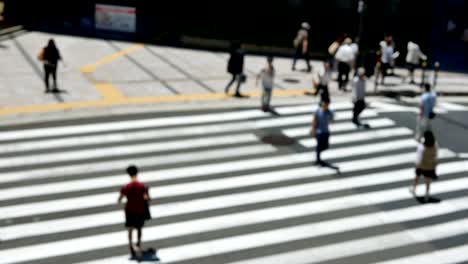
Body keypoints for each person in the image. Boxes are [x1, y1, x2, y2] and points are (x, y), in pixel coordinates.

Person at [118, 165, 150, 258]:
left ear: (128, 174)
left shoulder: (126, 187)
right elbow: (148, 198)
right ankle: (138, 244)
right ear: (137, 173)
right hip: (140, 209)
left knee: (130, 229)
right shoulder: (143, 186)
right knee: (139, 228)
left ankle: (131, 246)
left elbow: (119, 199)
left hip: (129, 210)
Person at [410, 131, 438, 202]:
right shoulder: (435, 145)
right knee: (428, 181)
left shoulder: (422, 146)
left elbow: (419, 157)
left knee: (417, 177)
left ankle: (414, 189)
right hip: (430, 166)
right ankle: (427, 194)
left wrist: (417, 165)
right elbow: (435, 156)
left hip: (422, 165)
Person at [310, 99, 334, 167]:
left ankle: (318, 154)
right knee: (318, 146)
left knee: (326, 146)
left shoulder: (329, 112)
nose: (325, 105)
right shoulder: (318, 111)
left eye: (326, 104)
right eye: (324, 104)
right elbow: (314, 120)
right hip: (319, 132)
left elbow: (332, 120)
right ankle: (318, 159)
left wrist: (330, 116)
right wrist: (313, 129)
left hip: (326, 132)